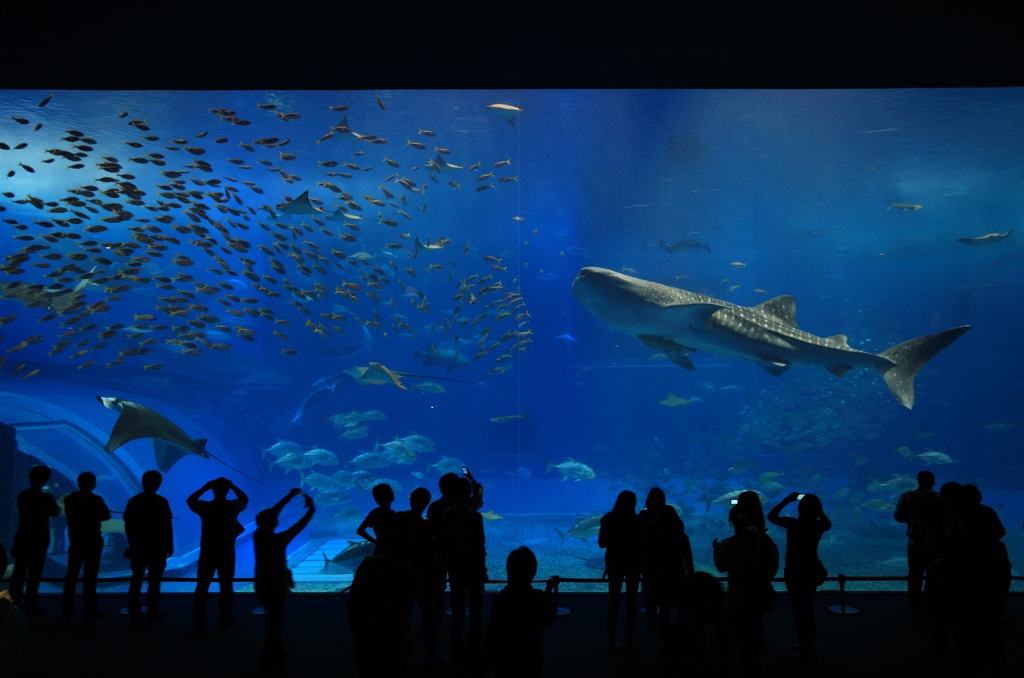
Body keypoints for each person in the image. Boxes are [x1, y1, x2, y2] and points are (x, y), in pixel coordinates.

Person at [254, 488, 315, 672]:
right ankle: (269, 657)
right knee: (274, 623)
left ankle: (277, 651)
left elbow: (273, 512)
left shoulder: (258, 535)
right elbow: (299, 526)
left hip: (262, 583)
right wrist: (311, 509)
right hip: (276, 586)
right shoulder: (279, 539)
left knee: (273, 620)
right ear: (274, 522)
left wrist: (289, 496)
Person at [347, 522, 419, 678]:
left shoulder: (367, 564)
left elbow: (353, 602)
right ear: (410, 545)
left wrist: (357, 631)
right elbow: (402, 615)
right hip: (393, 640)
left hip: (366, 634)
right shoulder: (409, 574)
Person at [713, 506, 778, 678]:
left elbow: (720, 567)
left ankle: (746, 667)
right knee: (754, 631)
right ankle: (755, 667)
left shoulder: (727, 544)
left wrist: (716, 550)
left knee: (741, 638)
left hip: (738, 596)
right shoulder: (760, 540)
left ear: (732, 523)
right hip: (756, 593)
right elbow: (772, 564)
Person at [766, 492, 831, 663]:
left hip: (794, 571)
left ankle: (807, 649)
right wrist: (819, 510)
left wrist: (787, 500)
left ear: (799, 509)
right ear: (817, 511)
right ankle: (807, 644)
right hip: (811, 570)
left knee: (799, 611)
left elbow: (771, 516)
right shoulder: (818, 526)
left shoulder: (792, 524)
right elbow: (828, 524)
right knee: (807, 608)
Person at [481, 546, 557, 678]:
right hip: (532, 656)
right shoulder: (538, 597)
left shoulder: (501, 599)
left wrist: (486, 659)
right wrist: (549, 592)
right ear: (533, 572)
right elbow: (549, 621)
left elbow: (491, 631)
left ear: (508, 571)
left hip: (506, 659)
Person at [186, 477, 248, 632]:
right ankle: (224, 620)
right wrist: (232, 484)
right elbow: (244, 499)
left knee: (202, 587)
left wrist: (204, 487)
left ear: (213, 490)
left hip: (207, 551)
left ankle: (198, 622)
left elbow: (190, 500)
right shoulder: (232, 507)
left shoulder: (206, 507)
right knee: (226, 587)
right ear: (227, 491)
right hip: (226, 552)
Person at [397, 487, 445, 672]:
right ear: (426, 504)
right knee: (428, 618)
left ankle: (405, 652)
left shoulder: (401, 520)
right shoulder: (426, 526)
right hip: (422, 577)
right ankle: (431, 657)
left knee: (402, 616)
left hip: (403, 573)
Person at [442, 477, 487, 674]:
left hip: (455, 568)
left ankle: (457, 656)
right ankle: (475, 653)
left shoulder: (446, 515)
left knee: (458, 611)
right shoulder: (475, 517)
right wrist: (483, 570)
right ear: (469, 494)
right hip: (472, 568)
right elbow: (479, 546)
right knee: (476, 612)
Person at [9, 465, 60, 617]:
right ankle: (30, 605)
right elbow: (56, 512)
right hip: (39, 537)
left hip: (23, 535)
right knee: (34, 573)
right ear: (45, 479)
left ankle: (13, 604)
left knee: (19, 572)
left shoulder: (23, 495)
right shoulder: (46, 497)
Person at [124, 470, 174, 624]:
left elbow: (128, 525)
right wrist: (169, 544)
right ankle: (153, 611)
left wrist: (133, 542)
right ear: (158, 484)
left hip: (138, 547)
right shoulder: (161, 501)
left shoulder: (134, 501)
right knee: (154, 581)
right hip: (157, 548)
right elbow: (167, 525)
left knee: (136, 579)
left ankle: (133, 610)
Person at [599, 490, 645, 654]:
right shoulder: (636, 520)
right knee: (631, 602)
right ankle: (631, 641)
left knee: (614, 602)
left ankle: (612, 641)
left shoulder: (608, 519)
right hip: (633, 564)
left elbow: (602, 544)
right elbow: (641, 544)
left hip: (614, 564)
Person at [61, 472, 111, 621]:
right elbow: (106, 516)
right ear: (92, 484)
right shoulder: (96, 500)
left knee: (71, 575)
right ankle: (90, 609)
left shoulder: (70, 499)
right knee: (90, 576)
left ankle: (66, 609)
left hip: (76, 541)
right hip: (93, 541)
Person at [893, 470, 945, 612]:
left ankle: (914, 602)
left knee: (915, 573)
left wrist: (911, 519)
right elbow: (944, 519)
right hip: (933, 544)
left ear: (918, 481)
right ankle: (929, 602)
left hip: (914, 543)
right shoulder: (939, 498)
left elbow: (897, 517)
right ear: (933, 481)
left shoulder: (907, 496)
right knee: (932, 573)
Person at [426, 472, 459, 626]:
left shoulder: (434, 506)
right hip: (457, 550)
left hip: (438, 549)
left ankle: (437, 613)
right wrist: (475, 485)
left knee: (438, 583)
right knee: (457, 582)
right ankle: (458, 612)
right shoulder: (460, 508)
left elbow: (431, 529)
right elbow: (478, 501)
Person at [638, 487, 666, 632]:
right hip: (649, 558)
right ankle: (652, 619)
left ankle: (661, 618)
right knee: (651, 591)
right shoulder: (644, 514)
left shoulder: (666, 514)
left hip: (661, 558)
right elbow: (640, 532)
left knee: (660, 590)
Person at [357, 483, 397, 556]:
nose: (393, 493)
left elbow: (360, 530)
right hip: (390, 550)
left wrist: (376, 542)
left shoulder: (375, 513)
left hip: (380, 549)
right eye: (391, 491)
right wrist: (376, 542)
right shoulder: (389, 514)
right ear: (386, 496)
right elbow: (360, 531)